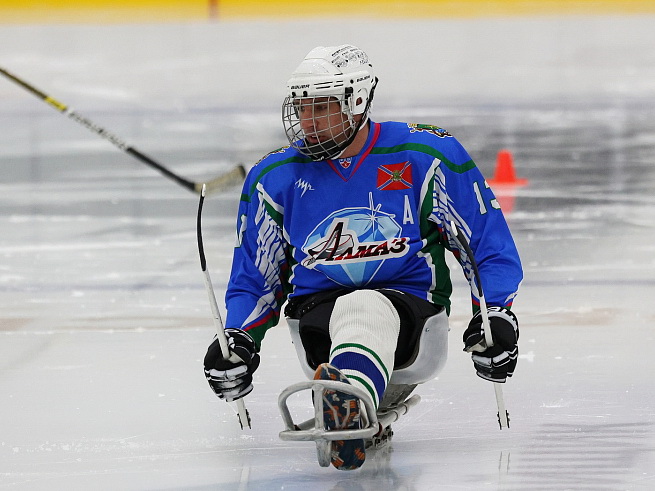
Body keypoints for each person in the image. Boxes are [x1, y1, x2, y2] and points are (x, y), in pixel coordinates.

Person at [203, 44, 523, 470]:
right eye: (301, 108)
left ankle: (348, 396)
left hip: (414, 320)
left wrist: (497, 314)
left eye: (321, 108)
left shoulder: (425, 155)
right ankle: (349, 396)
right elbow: (256, 279)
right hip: (318, 323)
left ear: (356, 102)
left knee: (364, 303)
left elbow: (485, 244)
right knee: (351, 307)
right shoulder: (273, 177)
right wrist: (238, 339)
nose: (307, 122)